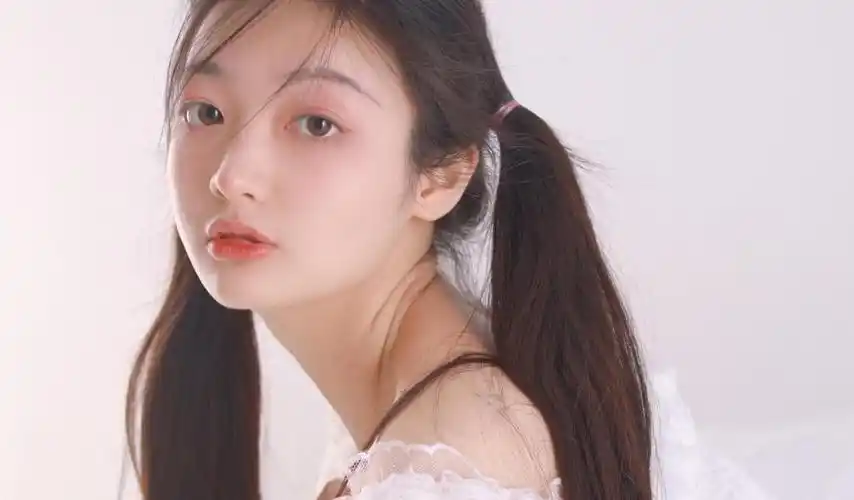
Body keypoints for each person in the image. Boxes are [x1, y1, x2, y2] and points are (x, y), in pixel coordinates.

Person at [125, 1, 771, 499]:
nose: (231, 175)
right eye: (205, 113)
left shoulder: (447, 458)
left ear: (441, 174)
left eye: (316, 124)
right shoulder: (429, 404)